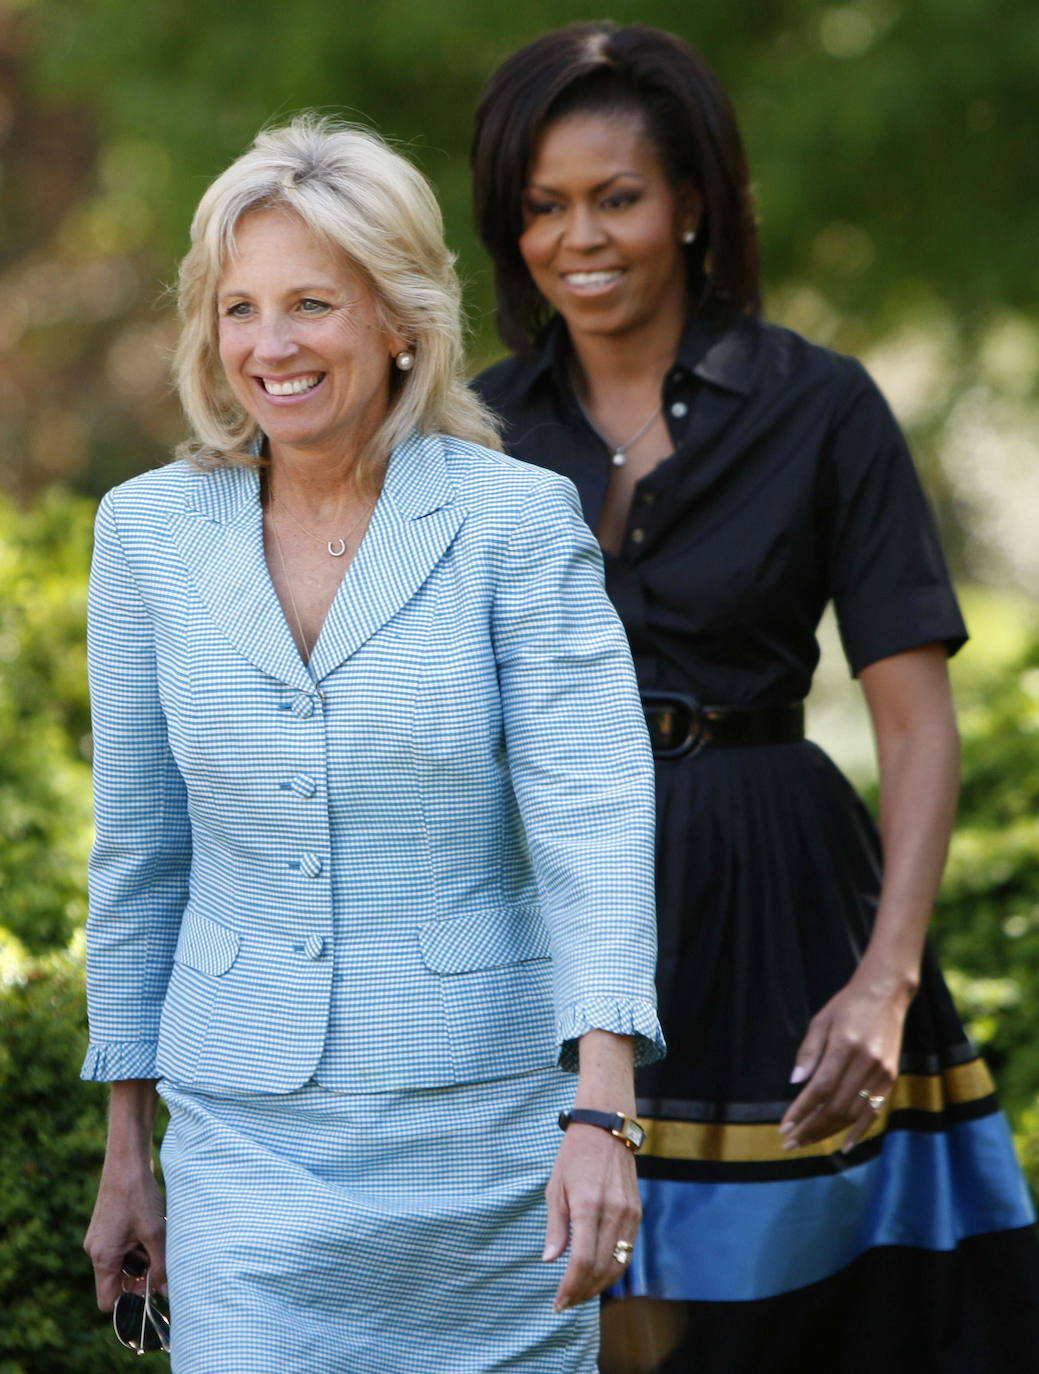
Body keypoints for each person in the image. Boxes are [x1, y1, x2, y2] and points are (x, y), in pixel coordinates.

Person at [471, 22, 1039, 1374]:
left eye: (615, 196)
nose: (579, 237)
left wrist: (881, 984)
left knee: (799, 1322)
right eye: (542, 206)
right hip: (543, 919)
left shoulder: (822, 407)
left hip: (782, 904)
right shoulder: (468, 431)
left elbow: (908, 717)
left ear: (689, 208)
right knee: (564, 1314)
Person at [81, 114, 666, 1374]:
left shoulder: (513, 524)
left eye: (311, 304)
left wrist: (602, 1111)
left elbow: (593, 817)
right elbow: (139, 850)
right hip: (243, 1146)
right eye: (239, 309)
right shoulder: (146, 535)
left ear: (400, 319)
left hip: (489, 1144)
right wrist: (127, 1145)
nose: (271, 346)